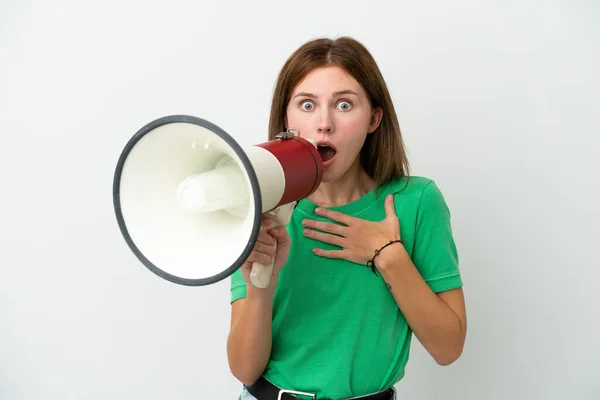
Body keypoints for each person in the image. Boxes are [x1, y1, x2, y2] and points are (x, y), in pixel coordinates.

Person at [227, 36, 467, 400]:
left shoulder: (416, 201)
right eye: (307, 104)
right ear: (286, 120)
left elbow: (448, 348)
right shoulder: (261, 209)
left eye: (343, 104)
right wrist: (261, 286)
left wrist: (388, 255)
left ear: (374, 118)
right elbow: (244, 369)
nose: (324, 123)